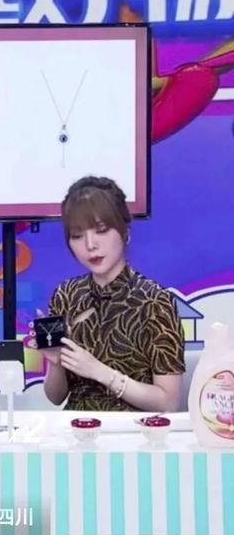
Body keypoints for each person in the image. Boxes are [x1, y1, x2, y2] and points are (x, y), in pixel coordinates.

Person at [42, 176, 185, 412]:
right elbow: (56, 397)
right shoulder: (65, 295)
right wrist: (56, 363)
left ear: (124, 230)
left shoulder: (155, 301)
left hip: (136, 429)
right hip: (74, 428)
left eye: (101, 230)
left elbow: (167, 402)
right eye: (77, 235)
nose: (90, 244)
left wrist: (100, 372)